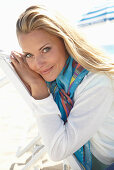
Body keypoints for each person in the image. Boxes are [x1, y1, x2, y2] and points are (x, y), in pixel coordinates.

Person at [10, 4, 114, 170]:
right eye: (29, 55)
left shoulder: (96, 82)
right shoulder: (57, 81)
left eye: (45, 49)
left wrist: (39, 90)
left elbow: (58, 151)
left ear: (65, 42)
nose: (38, 64)